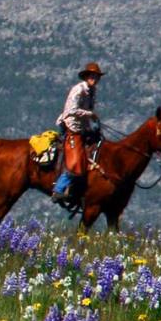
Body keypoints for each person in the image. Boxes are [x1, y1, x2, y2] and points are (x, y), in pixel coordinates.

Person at [54, 61, 103, 210]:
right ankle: (58, 190)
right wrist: (90, 114)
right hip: (71, 127)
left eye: (96, 76)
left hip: (82, 128)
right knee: (76, 162)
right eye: (92, 76)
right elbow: (70, 110)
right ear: (86, 76)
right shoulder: (78, 90)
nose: (94, 78)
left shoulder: (92, 92)